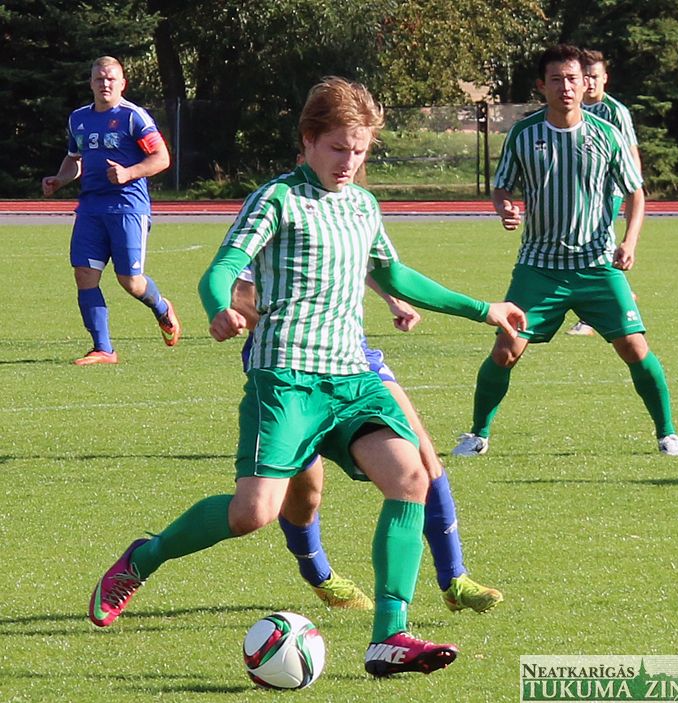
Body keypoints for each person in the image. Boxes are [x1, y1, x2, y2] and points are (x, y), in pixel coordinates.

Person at [88, 77, 526, 678]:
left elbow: (395, 276)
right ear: (309, 140)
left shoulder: (363, 205)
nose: (350, 162)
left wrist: (484, 309)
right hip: (287, 380)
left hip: (351, 378)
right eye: (338, 148)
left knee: (410, 477)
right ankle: (144, 558)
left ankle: (389, 636)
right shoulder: (277, 199)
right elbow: (223, 270)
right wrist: (219, 308)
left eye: (360, 151)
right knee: (253, 514)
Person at [452, 44, 678, 459]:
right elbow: (502, 185)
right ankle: (476, 435)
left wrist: (629, 241)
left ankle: (668, 434)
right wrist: (504, 207)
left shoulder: (606, 134)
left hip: (597, 264)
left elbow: (635, 193)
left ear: (584, 84)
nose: (566, 87)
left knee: (634, 347)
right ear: (542, 86)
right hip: (539, 267)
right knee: (506, 350)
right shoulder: (524, 134)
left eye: (573, 79)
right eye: (556, 79)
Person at [232, 271, 504, 615]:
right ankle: (319, 575)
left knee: (422, 457)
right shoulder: (270, 233)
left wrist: (392, 298)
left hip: (354, 358)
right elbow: (239, 295)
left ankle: (455, 580)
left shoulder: (353, 230)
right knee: (305, 493)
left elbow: (369, 260)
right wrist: (295, 330)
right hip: (287, 367)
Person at [42, 56, 180, 365]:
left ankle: (162, 308)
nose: (105, 83)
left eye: (110, 79)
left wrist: (129, 173)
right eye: (99, 79)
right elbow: (74, 158)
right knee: (84, 274)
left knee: (130, 281)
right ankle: (103, 349)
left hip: (128, 207)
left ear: (122, 83)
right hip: (91, 207)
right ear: (91, 83)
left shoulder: (134, 117)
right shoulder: (78, 118)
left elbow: (161, 158)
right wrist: (60, 179)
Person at [567, 48, 641, 337]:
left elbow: (630, 153)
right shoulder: (576, 108)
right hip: (582, 190)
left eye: (595, 77)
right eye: (586, 77)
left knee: (594, 245)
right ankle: (620, 295)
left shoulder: (615, 112)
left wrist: (633, 187)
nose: (590, 82)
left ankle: (591, 316)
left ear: (605, 78)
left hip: (609, 191)